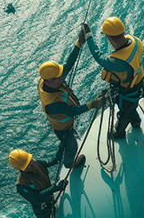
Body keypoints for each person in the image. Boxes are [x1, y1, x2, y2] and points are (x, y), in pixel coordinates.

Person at [37, 24, 107, 169]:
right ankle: (69, 163)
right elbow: (72, 111)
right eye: (58, 77)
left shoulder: (48, 80)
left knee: (64, 143)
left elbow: (68, 64)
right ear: (50, 81)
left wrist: (79, 43)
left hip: (63, 123)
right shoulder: (52, 104)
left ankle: (57, 158)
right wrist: (93, 104)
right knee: (71, 144)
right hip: (63, 128)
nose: (62, 77)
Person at [87, 16, 144, 139]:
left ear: (108, 37)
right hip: (138, 84)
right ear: (123, 31)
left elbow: (98, 55)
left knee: (124, 114)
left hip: (127, 92)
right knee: (131, 107)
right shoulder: (135, 41)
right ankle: (136, 123)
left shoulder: (116, 61)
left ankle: (118, 133)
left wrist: (88, 36)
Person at [8, 149, 69, 218]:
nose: (32, 163)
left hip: (50, 198)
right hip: (42, 208)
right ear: (21, 169)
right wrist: (54, 188)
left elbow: (54, 161)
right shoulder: (22, 185)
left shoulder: (37, 164)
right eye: (28, 164)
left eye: (30, 160)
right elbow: (37, 199)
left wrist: (63, 146)